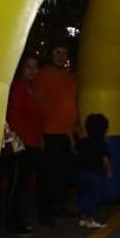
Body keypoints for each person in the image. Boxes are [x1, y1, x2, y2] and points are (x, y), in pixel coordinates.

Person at [34, 41, 79, 222]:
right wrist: (39, 133)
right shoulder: (42, 75)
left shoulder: (70, 77)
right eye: (57, 52)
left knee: (63, 173)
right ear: (51, 54)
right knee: (47, 175)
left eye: (64, 53)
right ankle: (45, 211)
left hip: (67, 134)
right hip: (49, 133)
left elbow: (74, 103)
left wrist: (76, 130)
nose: (61, 56)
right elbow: (37, 105)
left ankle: (60, 204)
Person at [6, 55, 44, 234]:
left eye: (35, 67)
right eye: (28, 67)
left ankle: (19, 220)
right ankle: (13, 223)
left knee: (24, 184)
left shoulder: (31, 88)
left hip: (32, 143)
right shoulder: (19, 87)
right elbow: (12, 116)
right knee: (18, 185)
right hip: (21, 145)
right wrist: (15, 144)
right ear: (21, 68)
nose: (32, 71)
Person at [77, 113, 112, 229]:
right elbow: (105, 159)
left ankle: (83, 218)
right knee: (94, 197)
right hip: (96, 174)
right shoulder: (102, 143)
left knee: (84, 196)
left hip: (82, 173)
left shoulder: (83, 141)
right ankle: (91, 219)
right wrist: (109, 172)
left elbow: (77, 153)